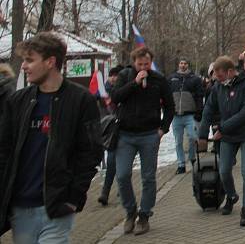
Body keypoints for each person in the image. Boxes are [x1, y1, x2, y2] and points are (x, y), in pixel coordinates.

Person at [0, 32, 103, 243]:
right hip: (21, 207)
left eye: (30, 60)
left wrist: (74, 198)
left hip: (56, 206)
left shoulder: (81, 100)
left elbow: (90, 152)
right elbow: (4, 151)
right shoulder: (17, 101)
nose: (23, 66)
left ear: (50, 62)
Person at [110, 46, 174, 236]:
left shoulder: (158, 80)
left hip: (149, 134)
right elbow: (115, 97)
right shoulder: (125, 76)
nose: (143, 67)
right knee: (122, 175)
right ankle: (130, 211)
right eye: (140, 64)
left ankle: (144, 215)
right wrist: (134, 83)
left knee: (148, 177)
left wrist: (163, 128)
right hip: (126, 134)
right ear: (134, 63)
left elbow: (169, 106)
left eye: (146, 64)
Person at [198, 55, 245, 227]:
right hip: (228, 136)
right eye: (215, 77)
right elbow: (208, 109)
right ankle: (232, 196)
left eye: (220, 75)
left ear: (231, 72)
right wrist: (203, 135)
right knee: (224, 170)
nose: (217, 79)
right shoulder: (218, 87)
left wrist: (222, 129)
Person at [168, 58, 204, 174]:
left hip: (190, 114)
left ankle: (192, 158)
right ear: (178, 64)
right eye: (181, 63)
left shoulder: (195, 79)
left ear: (188, 65)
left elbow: (199, 96)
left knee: (193, 137)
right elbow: (167, 96)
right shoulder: (172, 78)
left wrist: (199, 111)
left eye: (185, 63)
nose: (183, 65)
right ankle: (181, 164)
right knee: (178, 141)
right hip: (176, 115)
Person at [98, 66, 123, 206]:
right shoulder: (102, 92)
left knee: (120, 162)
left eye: (116, 76)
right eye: (112, 75)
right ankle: (106, 192)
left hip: (122, 129)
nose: (114, 78)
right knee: (112, 161)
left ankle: (119, 189)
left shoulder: (122, 90)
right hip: (109, 131)